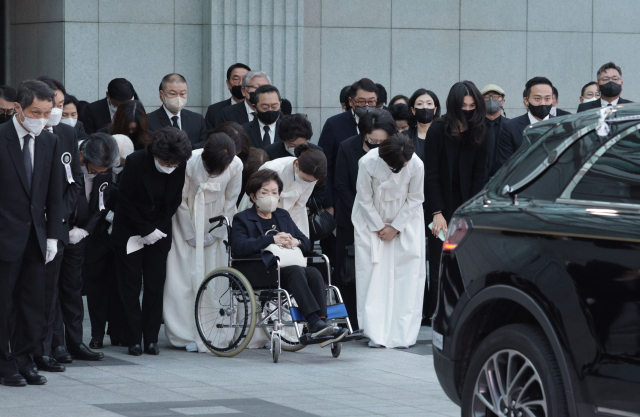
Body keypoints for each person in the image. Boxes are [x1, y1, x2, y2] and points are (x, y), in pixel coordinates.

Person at [33, 77, 104, 367]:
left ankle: (70, 342)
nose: (57, 111)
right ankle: (46, 345)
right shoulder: (24, 134)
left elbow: (73, 182)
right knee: (44, 293)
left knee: (70, 288)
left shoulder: (65, 133)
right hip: (32, 225)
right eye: (53, 105)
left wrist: (59, 215)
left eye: (61, 106)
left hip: (62, 224)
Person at [231, 169, 345, 343]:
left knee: (313, 272)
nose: (271, 196)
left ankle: (322, 322)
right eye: (264, 192)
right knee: (296, 271)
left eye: (274, 192)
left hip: (286, 268)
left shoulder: (282, 216)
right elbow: (239, 247)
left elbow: (305, 241)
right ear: (253, 197)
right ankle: (313, 322)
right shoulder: (243, 218)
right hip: (261, 270)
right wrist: (271, 239)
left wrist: (295, 242)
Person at [0, 80, 63, 386]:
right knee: (3, 303)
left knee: (32, 303)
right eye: (35, 112)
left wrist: (53, 236)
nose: (41, 118)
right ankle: (4, 363)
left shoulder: (50, 141)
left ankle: (25, 360)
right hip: (4, 235)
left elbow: (54, 194)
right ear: (18, 109)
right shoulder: (0, 138)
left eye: (47, 112)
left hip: (36, 238)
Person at [112, 126, 192, 356]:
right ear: (156, 155)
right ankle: (133, 338)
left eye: (173, 165)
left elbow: (175, 199)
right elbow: (125, 199)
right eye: (165, 163)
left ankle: (151, 338)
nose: (170, 168)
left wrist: (156, 229)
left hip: (159, 230)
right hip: (130, 228)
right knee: (130, 285)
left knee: (155, 285)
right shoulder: (137, 161)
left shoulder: (179, 162)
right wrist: (144, 229)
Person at [164, 133, 242, 353]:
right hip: (186, 220)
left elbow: (231, 201)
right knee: (182, 279)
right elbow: (179, 199)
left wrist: (215, 233)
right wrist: (190, 232)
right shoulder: (190, 162)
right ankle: (185, 332)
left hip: (217, 224)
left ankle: (214, 330)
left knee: (216, 278)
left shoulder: (236, 165)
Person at [51, 133, 120, 364]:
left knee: (73, 289)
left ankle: (75, 342)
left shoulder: (103, 170)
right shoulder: (67, 163)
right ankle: (56, 344)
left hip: (79, 236)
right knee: (52, 291)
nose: (101, 173)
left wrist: (85, 231)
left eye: (105, 170)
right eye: (97, 169)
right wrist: (62, 230)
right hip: (56, 233)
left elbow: (101, 205)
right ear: (83, 156)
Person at [352, 134, 425, 348]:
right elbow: (363, 197)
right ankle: (375, 332)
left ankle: (403, 333)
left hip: (406, 219)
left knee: (407, 275)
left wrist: (396, 227)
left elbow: (415, 198)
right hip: (370, 219)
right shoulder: (367, 162)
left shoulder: (416, 164)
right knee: (372, 275)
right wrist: (379, 225)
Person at [424, 80, 487, 322]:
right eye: (464, 105)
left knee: (465, 260)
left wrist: (472, 211)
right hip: (440, 206)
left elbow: (480, 174)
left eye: (473, 105)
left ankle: (464, 312)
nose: (468, 110)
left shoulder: (480, 130)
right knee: (440, 260)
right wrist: (437, 211)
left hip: (468, 206)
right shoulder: (438, 130)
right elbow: (431, 174)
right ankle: (439, 313)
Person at [334, 109, 396, 329]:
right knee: (350, 273)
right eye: (372, 141)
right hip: (352, 218)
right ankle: (350, 320)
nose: (377, 145)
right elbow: (342, 185)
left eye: (382, 141)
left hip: (386, 223)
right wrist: (364, 213)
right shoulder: (347, 147)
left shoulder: (397, 151)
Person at [84, 134, 134, 349]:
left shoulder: (128, 172)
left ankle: (117, 332)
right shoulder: (98, 172)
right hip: (95, 239)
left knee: (118, 289)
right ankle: (96, 334)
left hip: (118, 241)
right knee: (96, 289)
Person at [238, 144, 326, 238]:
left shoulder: (313, 176)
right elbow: (257, 197)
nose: (307, 182)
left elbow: (300, 204)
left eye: (310, 181)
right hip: (261, 208)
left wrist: (288, 228)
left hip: (292, 213)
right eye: (304, 178)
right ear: (297, 164)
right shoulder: (273, 168)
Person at [318, 78, 378, 215]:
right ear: (351, 101)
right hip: (343, 200)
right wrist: (328, 203)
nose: (367, 106)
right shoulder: (334, 124)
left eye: (371, 101)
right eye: (362, 102)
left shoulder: (386, 123)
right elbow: (325, 165)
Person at [263, 113, 326, 205]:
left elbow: (321, 185)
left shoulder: (316, 152)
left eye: (301, 145)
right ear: (283, 139)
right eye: (292, 145)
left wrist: (309, 206)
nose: (297, 149)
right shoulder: (269, 152)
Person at [497, 76, 554, 167]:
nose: (543, 103)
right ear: (526, 100)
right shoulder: (510, 127)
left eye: (547, 99)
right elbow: (505, 165)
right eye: (537, 99)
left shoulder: (563, 125)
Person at [147, 73, 207, 149]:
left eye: (182, 94)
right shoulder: (149, 120)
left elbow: (204, 144)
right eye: (173, 94)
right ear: (161, 95)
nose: (178, 98)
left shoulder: (197, 120)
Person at [204, 63, 251, 129]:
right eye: (236, 79)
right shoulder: (214, 111)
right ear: (228, 83)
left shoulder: (258, 109)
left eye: (245, 79)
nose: (240, 83)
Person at [481, 84, 508, 182]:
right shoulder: (473, 127)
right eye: (486, 97)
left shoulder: (511, 126)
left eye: (496, 96)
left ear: (503, 101)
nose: (491, 100)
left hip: (503, 181)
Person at [404, 88, 440, 162]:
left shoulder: (443, 135)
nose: (425, 107)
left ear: (435, 110)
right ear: (413, 110)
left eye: (429, 103)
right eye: (420, 104)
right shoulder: (404, 137)